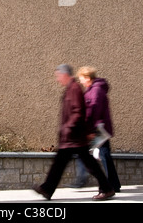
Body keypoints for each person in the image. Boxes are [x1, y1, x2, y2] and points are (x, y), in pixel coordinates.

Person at [33, 64, 115, 201]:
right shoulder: (71, 88)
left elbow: (78, 111)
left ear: (65, 74)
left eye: (58, 76)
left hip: (74, 136)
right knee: (62, 163)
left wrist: (68, 127)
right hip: (71, 136)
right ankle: (47, 189)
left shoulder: (74, 88)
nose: (58, 79)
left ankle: (107, 188)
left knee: (86, 164)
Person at [74, 66, 121, 193]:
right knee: (104, 155)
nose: (81, 81)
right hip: (99, 128)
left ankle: (83, 179)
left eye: (81, 79)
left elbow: (94, 110)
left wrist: (89, 130)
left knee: (89, 152)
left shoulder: (96, 90)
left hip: (99, 129)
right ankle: (113, 184)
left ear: (88, 78)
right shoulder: (93, 89)